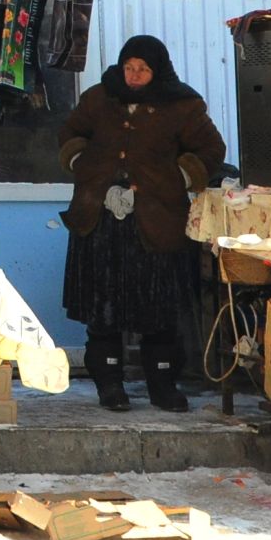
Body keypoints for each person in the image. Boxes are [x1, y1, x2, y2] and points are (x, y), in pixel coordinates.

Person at [59, 35, 225, 413]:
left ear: (157, 71)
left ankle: (162, 386)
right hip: (99, 222)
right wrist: (82, 166)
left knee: (159, 312)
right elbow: (70, 133)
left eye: (143, 69)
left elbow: (211, 150)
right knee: (104, 311)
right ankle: (110, 386)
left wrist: (177, 179)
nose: (134, 76)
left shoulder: (183, 105)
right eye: (129, 67)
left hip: (156, 223)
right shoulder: (99, 98)